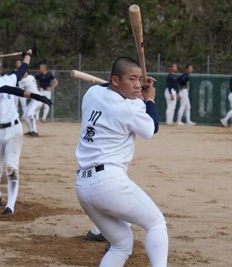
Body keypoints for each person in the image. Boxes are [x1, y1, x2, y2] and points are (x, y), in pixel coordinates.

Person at [76, 57, 168, 266]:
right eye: (132, 79)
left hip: (83, 185)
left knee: (122, 244)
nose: (138, 85)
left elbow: (103, 87)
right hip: (108, 183)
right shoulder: (128, 108)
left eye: (140, 79)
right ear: (116, 81)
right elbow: (150, 129)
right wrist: (150, 99)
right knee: (156, 223)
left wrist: (135, 91)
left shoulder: (92, 94)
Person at [0, 52, 51, 215]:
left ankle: (10, 206)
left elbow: (21, 71)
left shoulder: (7, 78)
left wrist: (27, 56)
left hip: (14, 130)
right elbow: (9, 89)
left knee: (12, 167)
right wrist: (33, 95)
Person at [19, 70, 42, 136]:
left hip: (38, 99)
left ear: (26, 73)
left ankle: (35, 131)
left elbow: (18, 84)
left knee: (29, 114)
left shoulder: (27, 79)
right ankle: (31, 130)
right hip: (34, 100)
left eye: (23, 72)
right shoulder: (31, 77)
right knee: (24, 117)